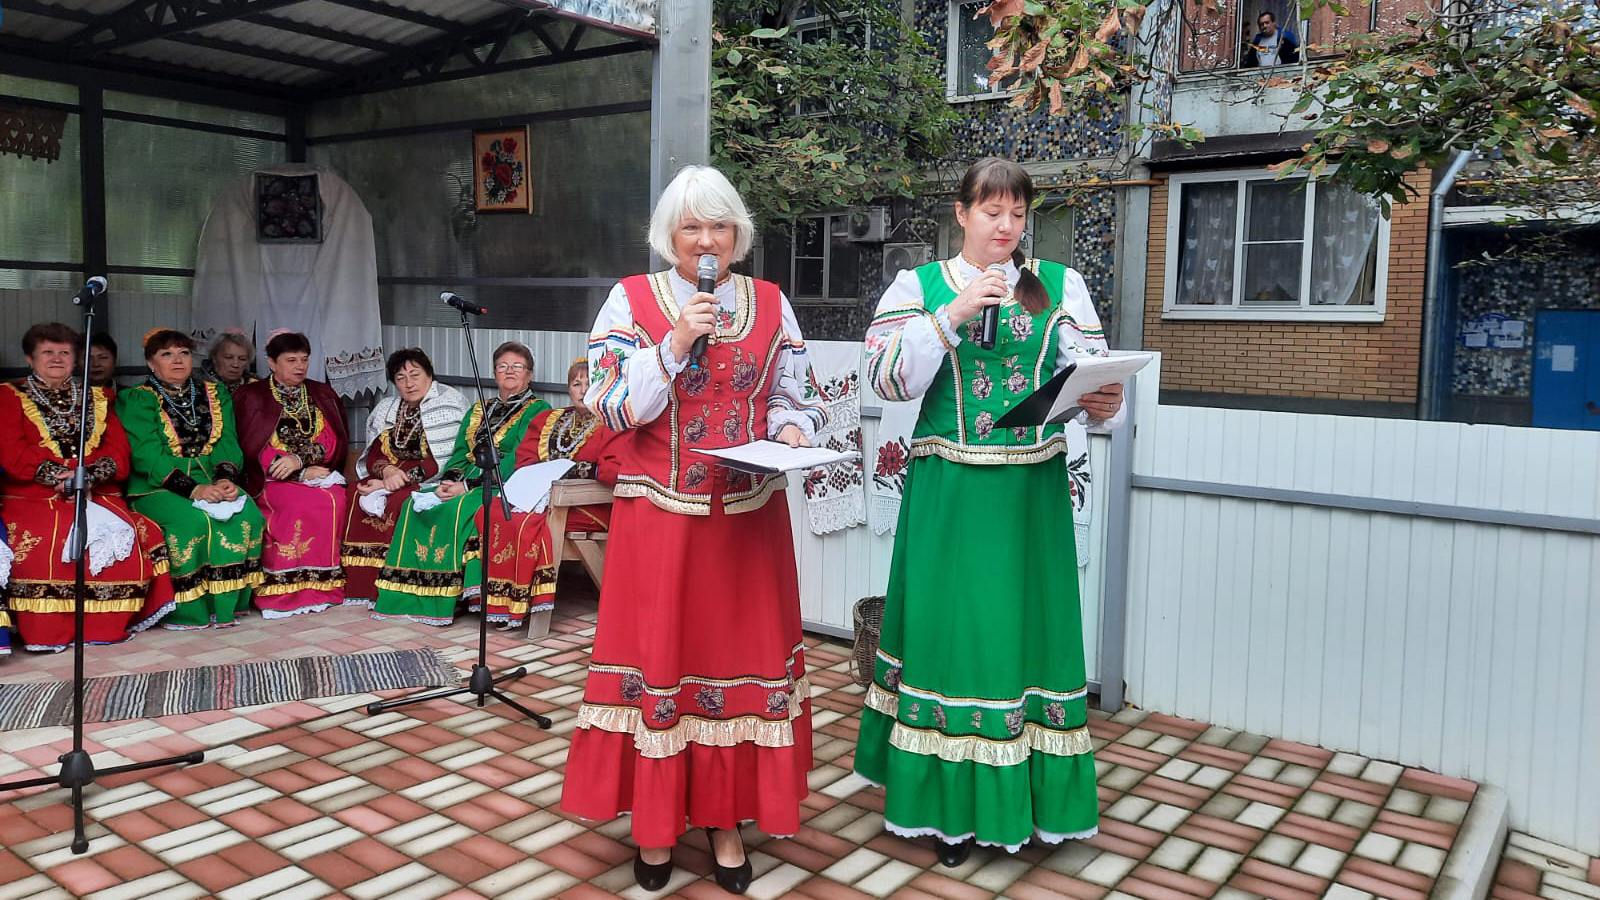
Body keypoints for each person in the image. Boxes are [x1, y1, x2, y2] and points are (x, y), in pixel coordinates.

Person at [561, 165, 827, 895]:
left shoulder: (771, 303)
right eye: (691, 227)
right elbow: (613, 408)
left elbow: (790, 394)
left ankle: (725, 819)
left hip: (747, 524)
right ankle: (655, 823)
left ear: (738, 234)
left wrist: (795, 430)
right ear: (668, 235)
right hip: (661, 525)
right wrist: (675, 341)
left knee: (735, 667)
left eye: (719, 226)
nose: (706, 241)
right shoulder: (631, 300)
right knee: (663, 664)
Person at [854, 157, 1127, 863]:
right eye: (991, 212)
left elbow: (1092, 379)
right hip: (950, 490)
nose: (1006, 226)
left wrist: (1104, 403)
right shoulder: (918, 286)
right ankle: (947, 811)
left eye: (1017, 214)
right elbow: (886, 380)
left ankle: (1026, 803)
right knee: (953, 644)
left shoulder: (1052, 288)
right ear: (962, 213)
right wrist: (952, 315)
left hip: (1030, 496)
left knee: (1021, 641)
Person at [0, 323, 175, 650]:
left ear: (76, 359)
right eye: (47, 352)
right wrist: (57, 476)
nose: (56, 359)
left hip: (96, 489)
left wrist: (89, 476)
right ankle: (46, 633)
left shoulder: (100, 397)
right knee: (45, 546)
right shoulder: (8, 396)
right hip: (34, 493)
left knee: (125, 536)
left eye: (64, 352)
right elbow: (11, 450)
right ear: (29, 358)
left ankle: (103, 628)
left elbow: (119, 451)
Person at [372, 341, 548, 626]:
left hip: (503, 485)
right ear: (494, 374)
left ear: (529, 374)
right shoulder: (482, 408)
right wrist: (451, 479)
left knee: (456, 508)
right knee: (416, 503)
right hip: (464, 481)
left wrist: (469, 485)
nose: (509, 371)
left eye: (517, 367)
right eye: (502, 366)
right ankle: (415, 595)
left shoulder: (538, 410)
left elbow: (519, 458)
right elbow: (458, 451)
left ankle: (448, 597)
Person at [119, 329, 265, 629]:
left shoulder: (215, 393)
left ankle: (227, 607)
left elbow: (228, 442)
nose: (177, 360)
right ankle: (189, 611)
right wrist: (194, 489)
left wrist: (225, 480)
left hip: (211, 479)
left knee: (248, 513)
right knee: (195, 522)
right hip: (158, 486)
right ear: (151, 363)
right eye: (166, 354)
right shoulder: (137, 400)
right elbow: (147, 455)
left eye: (183, 353)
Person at [483, 356, 625, 631]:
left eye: (590, 383)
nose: (583, 390)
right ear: (568, 388)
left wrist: (569, 472)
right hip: (537, 497)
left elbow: (614, 472)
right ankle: (502, 603)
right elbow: (525, 460)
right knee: (494, 512)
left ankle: (525, 605)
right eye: (576, 383)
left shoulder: (614, 423)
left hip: (586, 505)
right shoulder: (548, 418)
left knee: (527, 523)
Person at [233, 331, 350, 618]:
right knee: (297, 504)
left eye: (304, 360)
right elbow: (251, 445)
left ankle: (323, 587)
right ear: (271, 363)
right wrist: (290, 469)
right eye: (291, 360)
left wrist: (300, 461)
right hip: (268, 478)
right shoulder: (251, 396)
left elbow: (331, 439)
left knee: (334, 498)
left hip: (312, 471)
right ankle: (283, 591)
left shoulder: (321, 393)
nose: (300, 366)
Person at [341, 348, 467, 607]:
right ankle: (360, 586)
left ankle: (391, 585)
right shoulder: (388, 407)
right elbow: (375, 452)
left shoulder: (449, 402)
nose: (409, 383)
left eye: (415, 374)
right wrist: (386, 473)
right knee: (355, 491)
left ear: (429, 374)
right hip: (391, 474)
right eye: (400, 377)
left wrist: (403, 479)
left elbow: (441, 458)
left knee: (398, 501)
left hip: (428, 478)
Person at [203, 329, 260, 395]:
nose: (235, 364)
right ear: (214, 357)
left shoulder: (257, 385)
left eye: (242, 359)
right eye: (228, 357)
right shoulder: (196, 383)